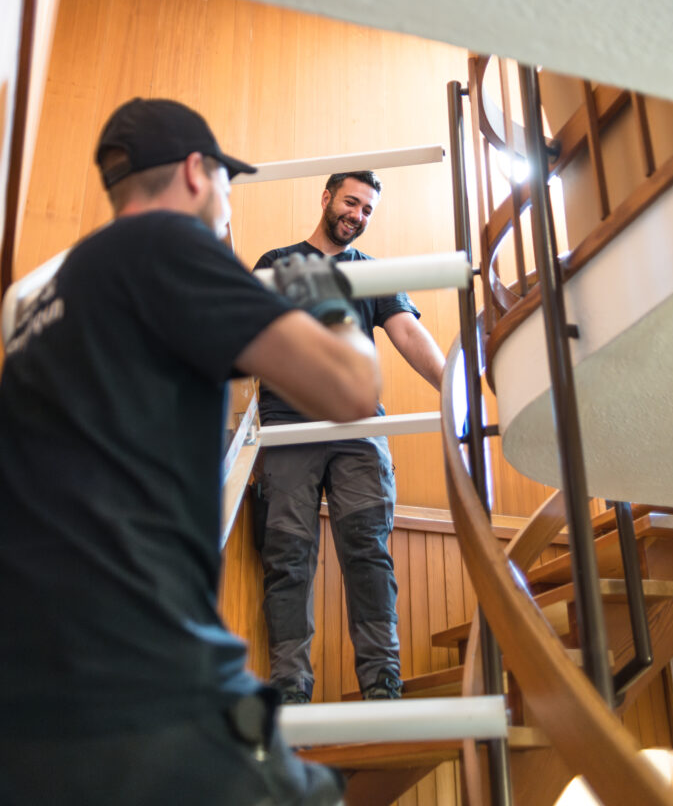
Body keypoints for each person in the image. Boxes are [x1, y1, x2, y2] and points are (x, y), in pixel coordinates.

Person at [0, 98, 384, 806]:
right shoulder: (170, 245)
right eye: (228, 183)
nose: (228, 201)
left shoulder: (52, 291)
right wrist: (322, 294)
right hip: (134, 660)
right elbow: (351, 388)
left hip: (27, 677)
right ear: (195, 172)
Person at [252, 171, 446, 704]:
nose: (357, 215)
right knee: (288, 556)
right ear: (327, 198)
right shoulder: (276, 265)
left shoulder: (371, 274)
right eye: (351, 202)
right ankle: (290, 687)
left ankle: (382, 683)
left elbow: (406, 330)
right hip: (289, 424)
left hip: (358, 428)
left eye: (367, 211)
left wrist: (457, 388)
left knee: (368, 552)